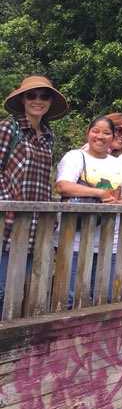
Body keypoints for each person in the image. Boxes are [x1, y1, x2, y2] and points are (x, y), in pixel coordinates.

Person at [0, 75, 68, 313]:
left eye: (44, 96)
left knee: (18, 287)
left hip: (37, 223)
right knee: (2, 287)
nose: (37, 100)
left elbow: (44, 180)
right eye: (32, 95)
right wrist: (8, 201)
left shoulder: (49, 136)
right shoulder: (9, 127)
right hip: (7, 221)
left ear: (50, 102)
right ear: (22, 99)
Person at [55, 116, 122, 305]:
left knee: (105, 296)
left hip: (109, 240)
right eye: (95, 131)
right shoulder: (75, 156)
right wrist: (99, 193)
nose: (100, 136)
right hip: (75, 238)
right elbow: (63, 186)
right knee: (71, 298)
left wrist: (113, 204)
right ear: (88, 133)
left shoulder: (119, 164)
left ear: (112, 137)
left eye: (106, 133)